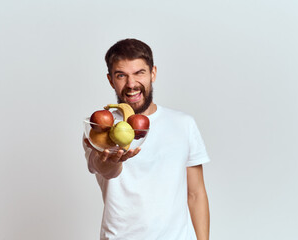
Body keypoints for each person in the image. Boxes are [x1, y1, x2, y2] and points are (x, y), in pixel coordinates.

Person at [83, 38, 210, 240]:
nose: (131, 84)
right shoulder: (100, 126)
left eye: (139, 73)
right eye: (121, 75)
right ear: (110, 80)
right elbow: (105, 169)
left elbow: (196, 194)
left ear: (153, 73)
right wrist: (114, 159)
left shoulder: (183, 124)